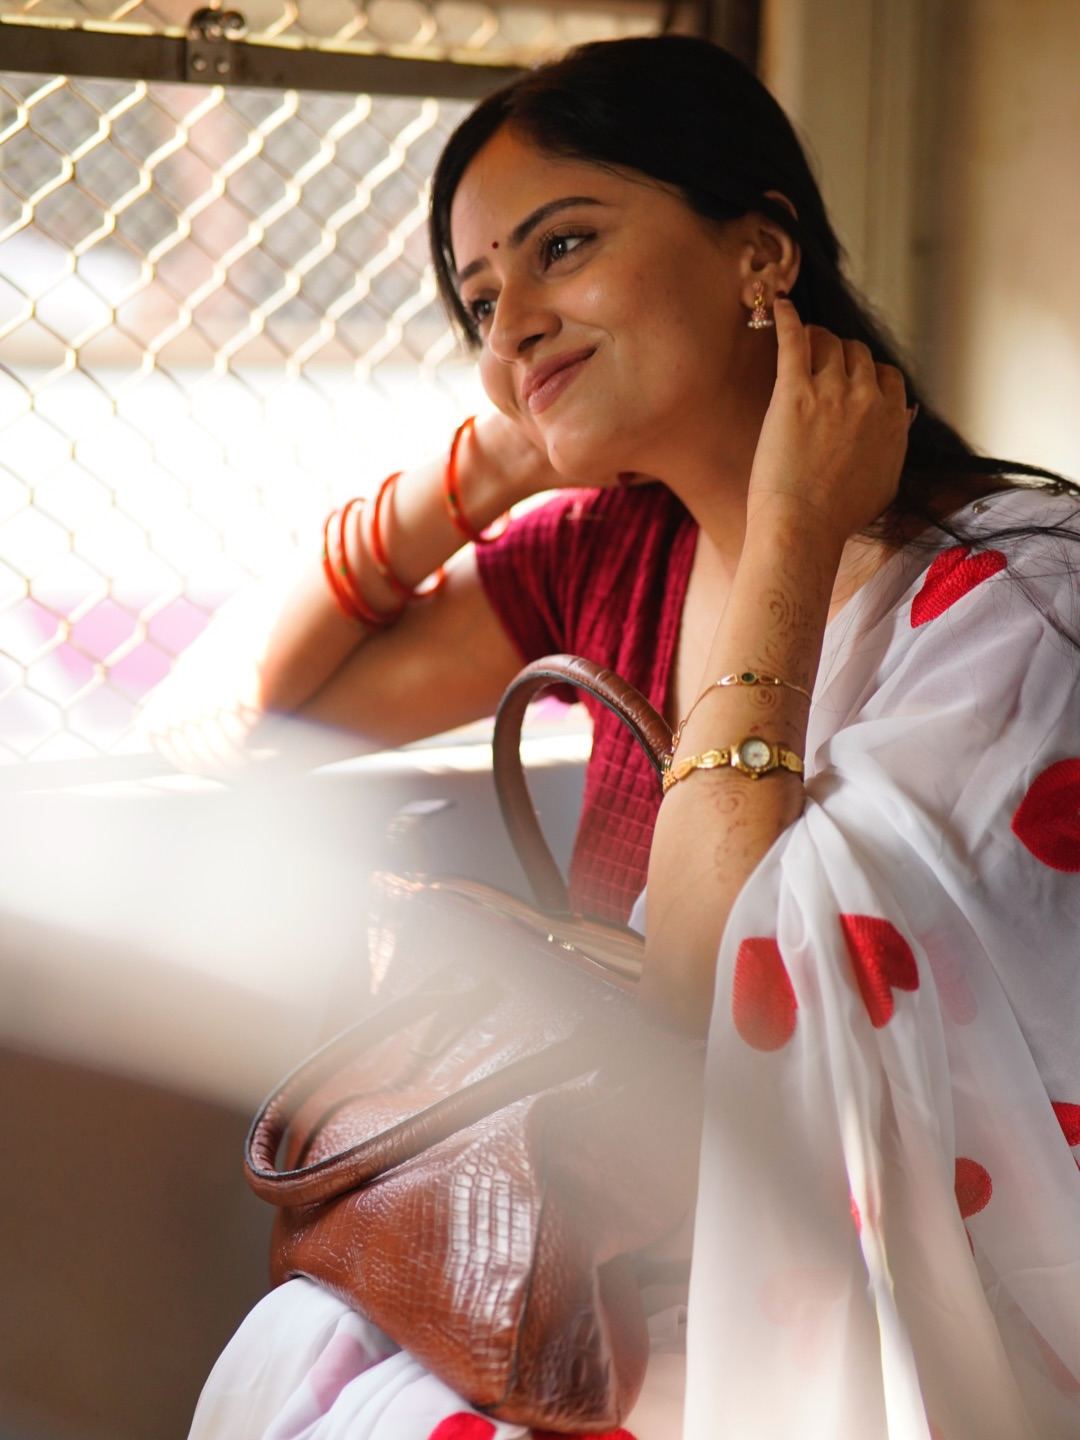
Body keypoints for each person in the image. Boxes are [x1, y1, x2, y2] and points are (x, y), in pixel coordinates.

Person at [181, 34, 1080, 1440]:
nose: (512, 325)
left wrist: (788, 537)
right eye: (479, 300)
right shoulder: (614, 551)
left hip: (860, 1279)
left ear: (760, 256)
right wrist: (485, 462)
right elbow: (248, 705)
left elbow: (710, 1005)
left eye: (564, 248)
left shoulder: (1017, 601)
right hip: (615, 1240)